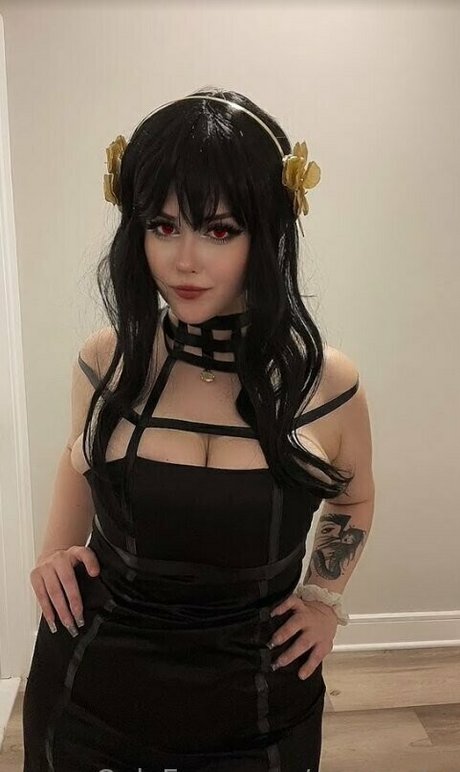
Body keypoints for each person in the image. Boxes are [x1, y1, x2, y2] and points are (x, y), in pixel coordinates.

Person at [22, 86, 375, 772]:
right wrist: (53, 551)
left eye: (218, 230)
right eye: (162, 226)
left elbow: (353, 497)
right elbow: (79, 456)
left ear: (267, 231)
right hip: (91, 685)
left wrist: (324, 598)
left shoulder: (327, 384)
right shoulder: (106, 360)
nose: (183, 260)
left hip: (258, 695)